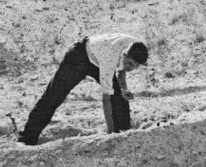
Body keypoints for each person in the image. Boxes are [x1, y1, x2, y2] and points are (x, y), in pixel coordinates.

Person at [18, 35, 149, 145]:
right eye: (130, 64)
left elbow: (122, 70)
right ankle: (26, 139)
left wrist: (124, 89)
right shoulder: (111, 57)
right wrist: (110, 134)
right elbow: (106, 99)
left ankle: (125, 134)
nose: (131, 68)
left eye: (136, 66)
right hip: (78, 56)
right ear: (125, 54)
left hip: (98, 58)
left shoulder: (134, 46)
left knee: (119, 97)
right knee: (54, 96)